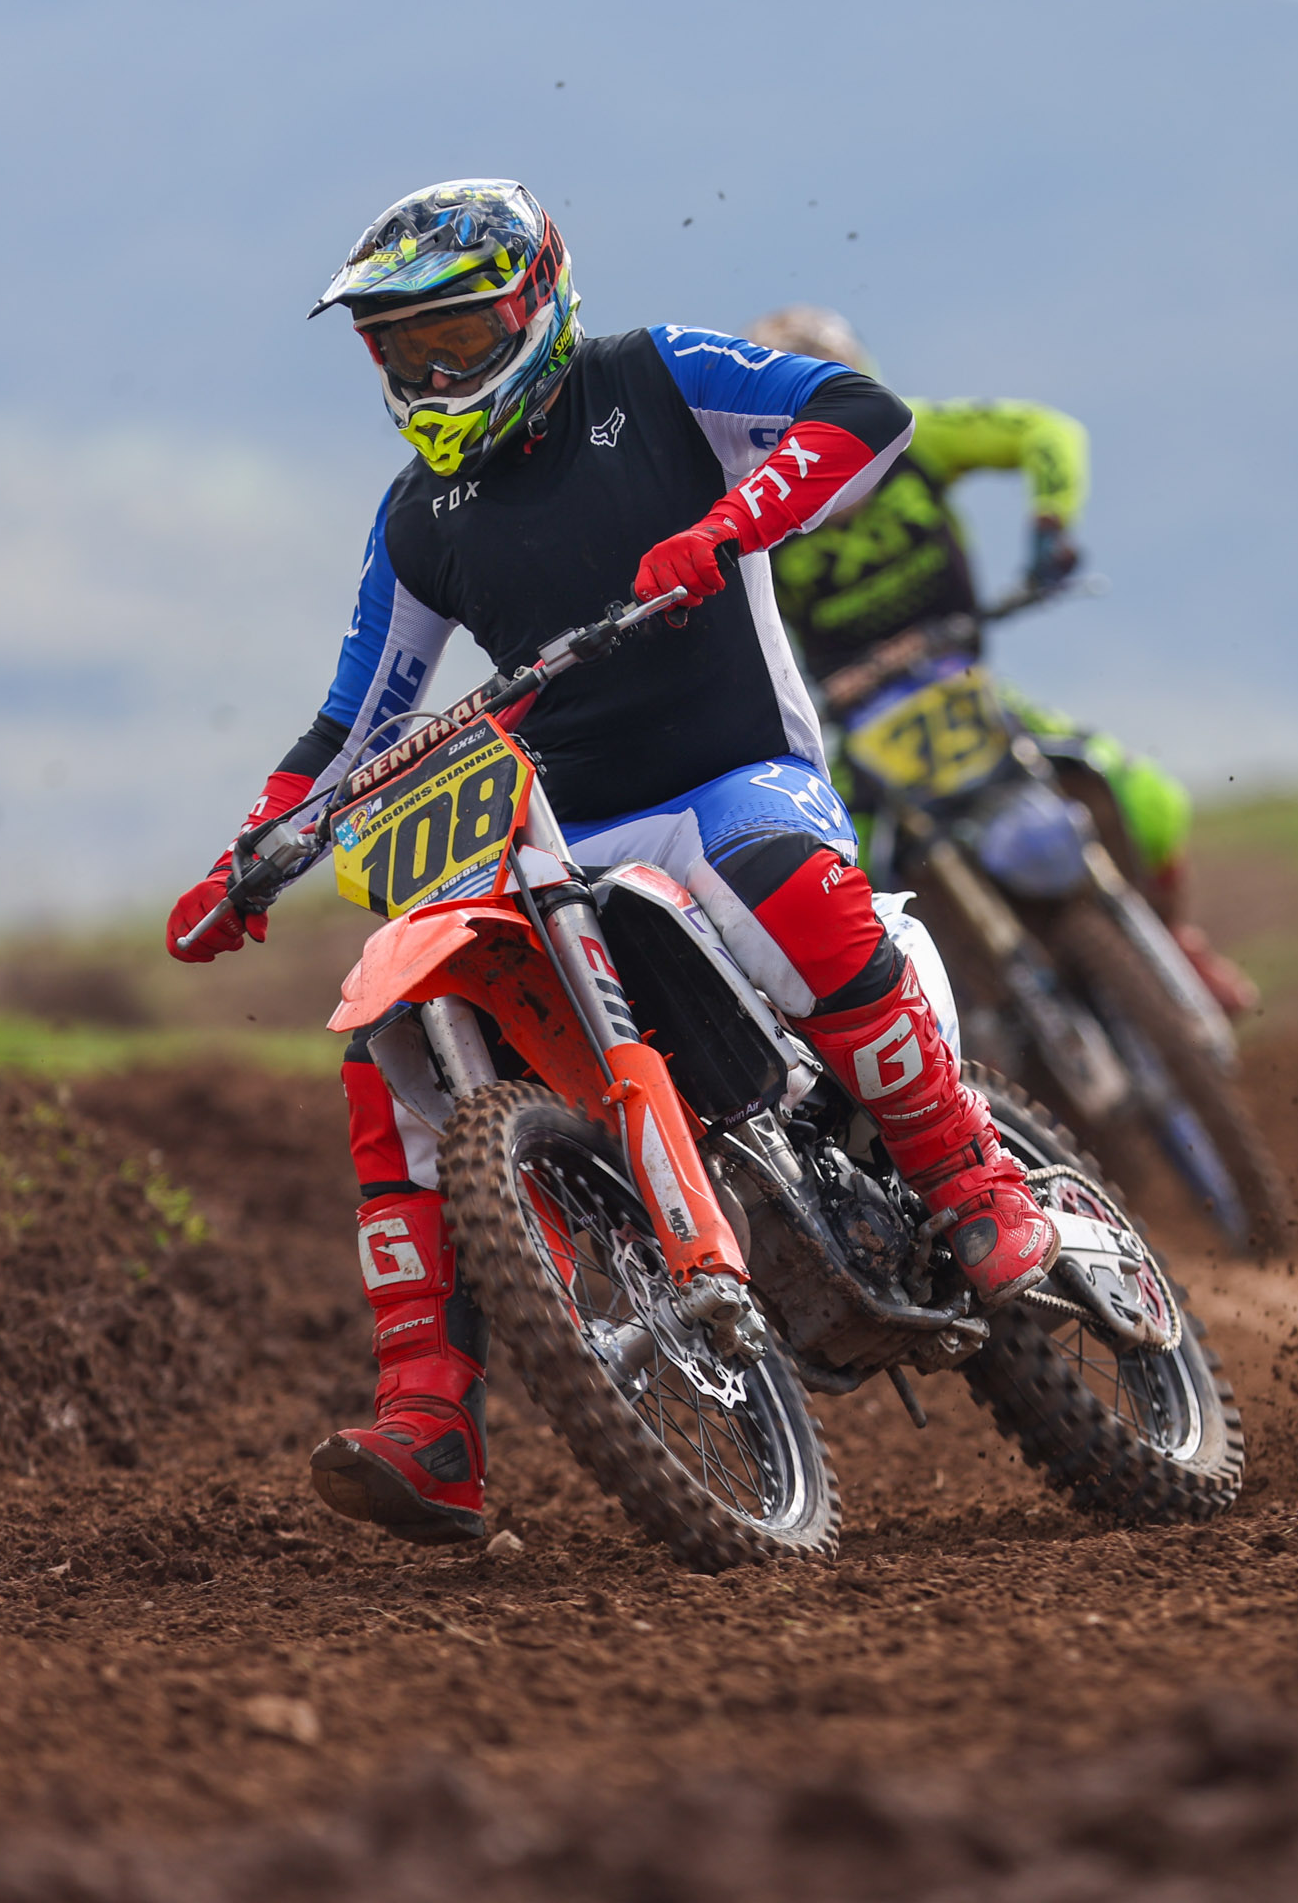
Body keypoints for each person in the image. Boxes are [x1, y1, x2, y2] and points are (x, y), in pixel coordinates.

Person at [163, 181, 1059, 1546]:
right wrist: (249, 853)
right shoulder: (420, 518)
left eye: (457, 338)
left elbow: (862, 416)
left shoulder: (657, 377)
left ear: (536, 305)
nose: (433, 374)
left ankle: (972, 1179)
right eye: (403, 350)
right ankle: (430, 1417)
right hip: (559, 827)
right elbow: (357, 717)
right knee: (400, 1034)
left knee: (785, 885)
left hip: (732, 778)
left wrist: (730, 526)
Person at [741, 306, 1258, 1015]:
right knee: (838, 884)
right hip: (853, 727)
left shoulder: (917, 438)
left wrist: (1051, 522)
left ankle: (1175, 940)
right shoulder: (752, 507)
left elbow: (1045, 432)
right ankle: (923, 1027)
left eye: (836, 397)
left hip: (961, 686)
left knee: (1146, 799)